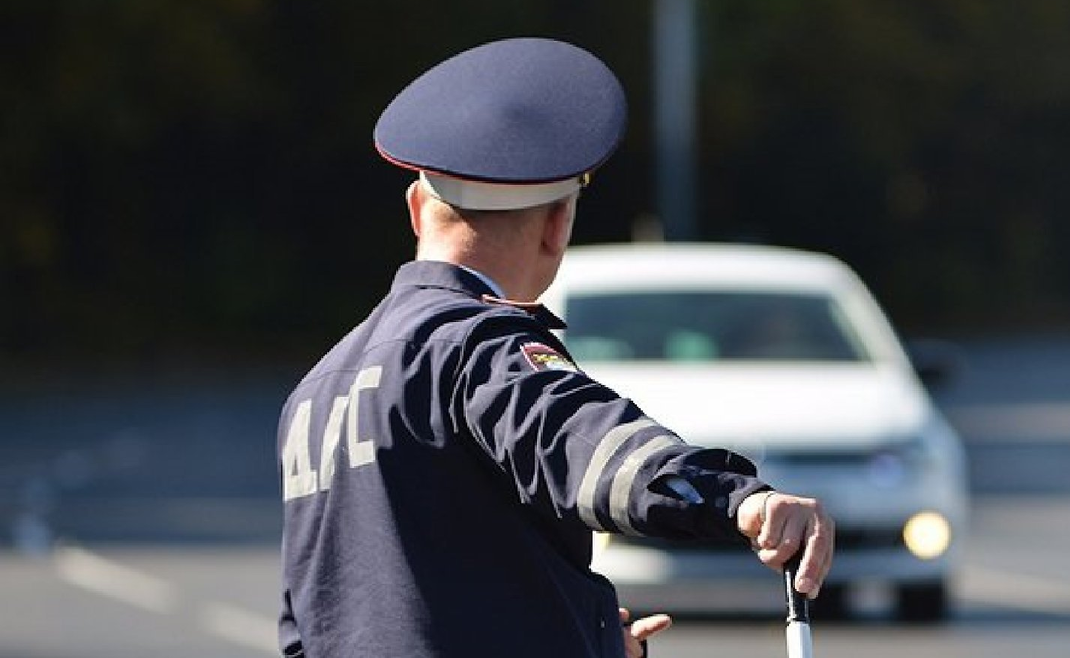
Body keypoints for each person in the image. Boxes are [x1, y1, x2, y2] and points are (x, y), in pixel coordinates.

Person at [276, 37, 834, 658]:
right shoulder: (480, 346)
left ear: (415, 209)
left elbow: (313, 625)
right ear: (556, 226)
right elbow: (595, 453)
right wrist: (741, 500)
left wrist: (587, 633)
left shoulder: (316, 390)